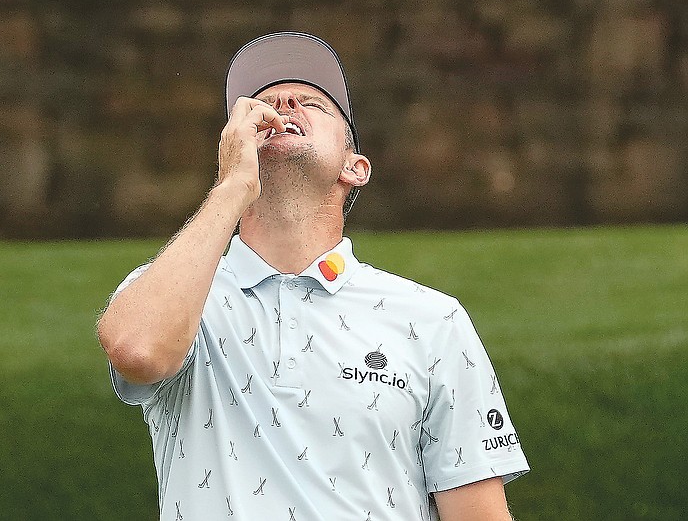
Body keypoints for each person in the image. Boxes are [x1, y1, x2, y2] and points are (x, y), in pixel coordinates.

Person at [97, 31, 529, 521]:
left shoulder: (434, 321)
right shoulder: (178, 295)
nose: (282, 103)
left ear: (355, 167)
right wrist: (233, 186)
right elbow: (138, 350)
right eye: (260, 105)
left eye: (311, 103)